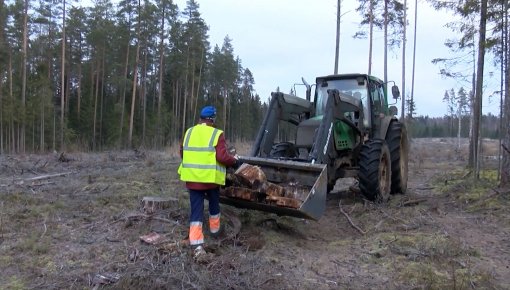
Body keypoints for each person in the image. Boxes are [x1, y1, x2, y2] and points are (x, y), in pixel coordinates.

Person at [177, 105, 238, 258]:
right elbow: (222, 157)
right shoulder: (217, 134)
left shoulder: (189, 132)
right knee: (213, 204)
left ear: (201, 118)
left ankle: (196, 242)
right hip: (210, 180)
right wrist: (235, 161)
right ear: (212, 119)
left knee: (196, 209)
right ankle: (215, 231)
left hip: (192, 178)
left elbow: (182, 152)